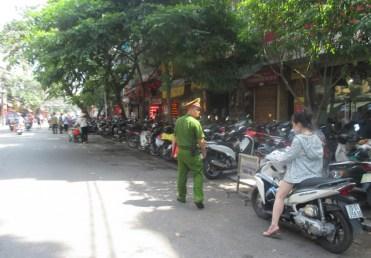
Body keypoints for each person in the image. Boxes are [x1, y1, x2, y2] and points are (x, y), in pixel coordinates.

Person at [263, 111, 324, 236]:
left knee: (279, 195)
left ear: (299, 124)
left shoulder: (299, 139)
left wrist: (275, 158)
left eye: (293, 124)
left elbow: (288, 157)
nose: (293, 127)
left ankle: (274, 225)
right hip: (315, 174)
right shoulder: (316, 137)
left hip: (298, 175)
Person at [173, 98, 207, 209]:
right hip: (192, 153)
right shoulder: (195, 122)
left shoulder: (178, 121)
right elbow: (201, 141)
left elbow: (175, 137)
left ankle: (181, 197)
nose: (199, 112)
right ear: (191, 109)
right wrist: (204, 152)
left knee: (181, 174)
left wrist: (174, 151)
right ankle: (198, 198)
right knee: (198, 174)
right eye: (197, 109)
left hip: (181, 152)